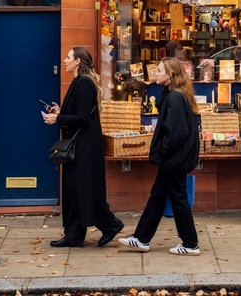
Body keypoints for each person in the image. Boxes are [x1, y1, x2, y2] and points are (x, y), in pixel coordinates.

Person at [118, 57, 201, 256]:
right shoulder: (178, 96)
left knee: (178, 198)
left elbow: (176, 132)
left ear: (170, 75)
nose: (156, 73)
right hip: (174, 158)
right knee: (158, 196)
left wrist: (161, 151)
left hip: (173, 159)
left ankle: (190, 244)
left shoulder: (174, 97)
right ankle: (141, 238)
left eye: (160, 70)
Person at [42, 46, 124, 248]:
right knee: (75, 190)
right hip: (80, 146)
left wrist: (57, 118)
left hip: (84, 148)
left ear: (78, 61)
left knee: (81, 189)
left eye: (68, 57)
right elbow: (79, 112)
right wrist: (61, 111)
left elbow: (82, 118)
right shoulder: (79, 82)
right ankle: (75, 235)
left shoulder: (84, 83)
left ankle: (109, 224)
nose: (65, 60)